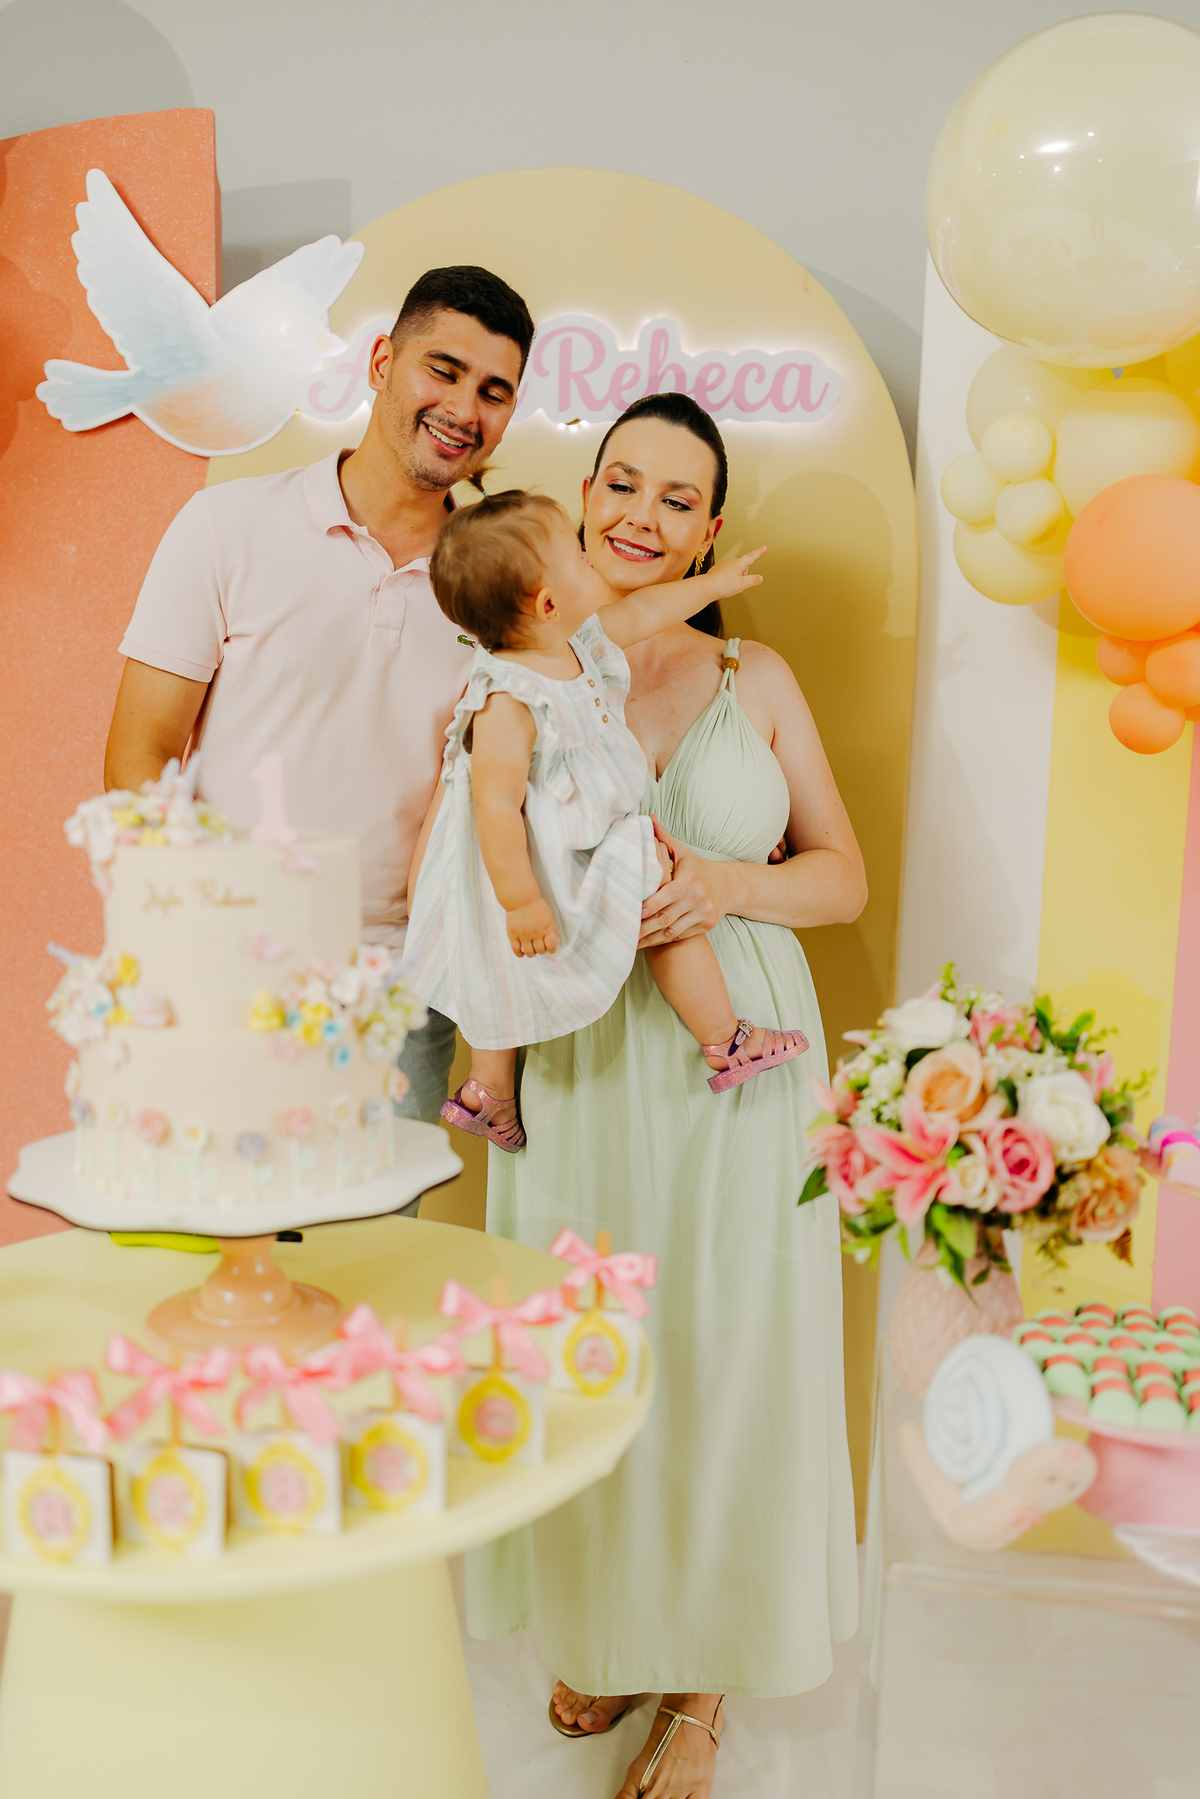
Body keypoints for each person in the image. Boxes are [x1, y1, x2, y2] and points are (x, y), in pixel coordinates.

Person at [465, 392, 866, 1799]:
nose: (642, 513)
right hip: (579, 1054)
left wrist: (729, 882)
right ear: (583, 496)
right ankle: (611, 1628)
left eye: (677, 496)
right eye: (621, 481)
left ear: (711, 529)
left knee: (726, 1350)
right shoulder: (524, 670)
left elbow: (843, 876)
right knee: (590, 1351)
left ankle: (704, 1679)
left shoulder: (757, 675)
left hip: (739, 1055)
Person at [103, 265, 535, 1138]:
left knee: (372, 1227)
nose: (464, 409)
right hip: (224, 976)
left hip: (401, 996)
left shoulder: (505, 594)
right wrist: (199, 930)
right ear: (381, 362)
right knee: (208, 1216)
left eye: (494, 392)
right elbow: (138, 755)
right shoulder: (225, 526)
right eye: (443, 370)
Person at [402, 490, 808, 1151]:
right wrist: (521, 901)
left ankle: (487, 1092)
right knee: (520, 945)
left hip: (571, 837)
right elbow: (493, 806)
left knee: (614, 904)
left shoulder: (576, 643)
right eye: (577, 557)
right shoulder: (508, 697)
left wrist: (715, 583)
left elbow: (646, 610)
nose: (593, 560)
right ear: (547, 603)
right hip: (530, 861)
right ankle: (723, 1039)